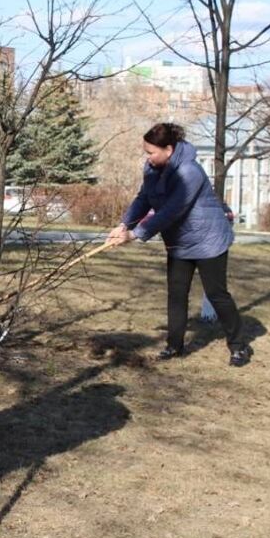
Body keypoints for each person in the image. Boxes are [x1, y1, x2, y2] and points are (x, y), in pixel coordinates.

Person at [105, 122, 251, 367]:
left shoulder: (189, 173)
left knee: (217, 294)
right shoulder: (152, 169)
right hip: (180, 242)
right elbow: (144, 198)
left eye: (151, 152)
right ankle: (174, 346)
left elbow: (172, 210)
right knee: (176, 294)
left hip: (209, 239)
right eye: (146, 153)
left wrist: (136, 235)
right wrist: (124, 225)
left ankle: (238, 347)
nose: (148, 158)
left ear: (169, 150)